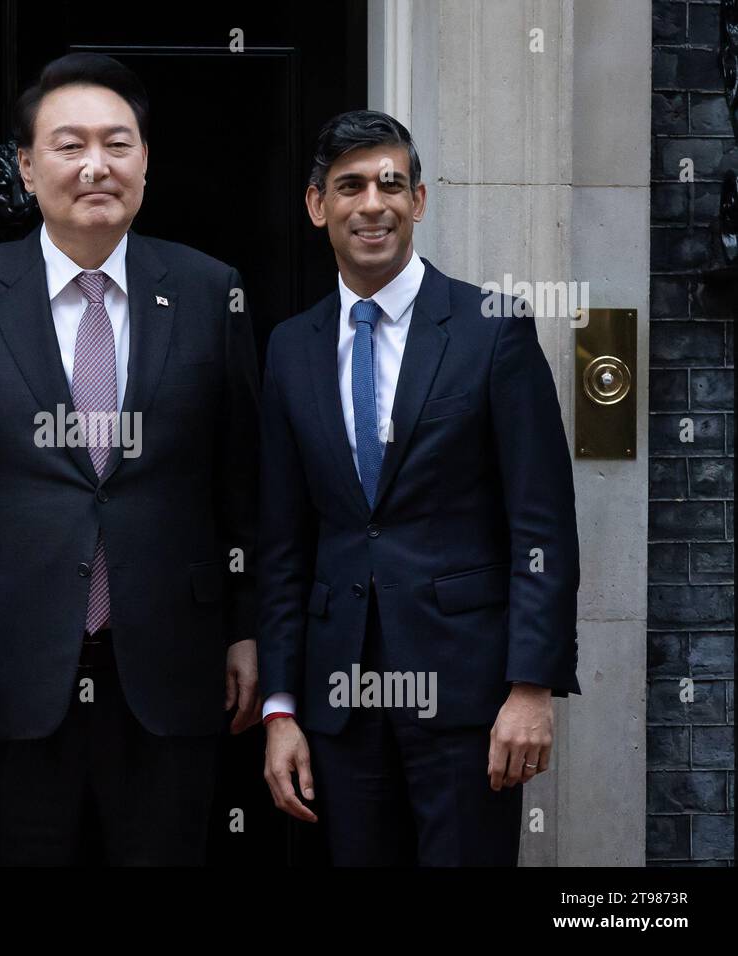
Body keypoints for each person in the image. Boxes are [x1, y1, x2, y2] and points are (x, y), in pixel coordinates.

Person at [0, 53, 261, 865]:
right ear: (28, 167)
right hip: (3, 667)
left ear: (145, 162)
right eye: (70, 145)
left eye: (118, 143)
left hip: (173, 663)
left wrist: (246, 633)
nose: (96, 165)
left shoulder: (212, 292)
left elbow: (242, 479)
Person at [257, 111, 581, 866]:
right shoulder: (289, 348)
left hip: (467, 695)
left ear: (420, 201)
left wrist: (531, 687)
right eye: (350, 187)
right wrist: (280, 708)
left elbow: (542, 524)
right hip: (338, 700)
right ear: (317, 206)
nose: (373, 203)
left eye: (390, 184)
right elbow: (280, 541)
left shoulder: (490, 327)